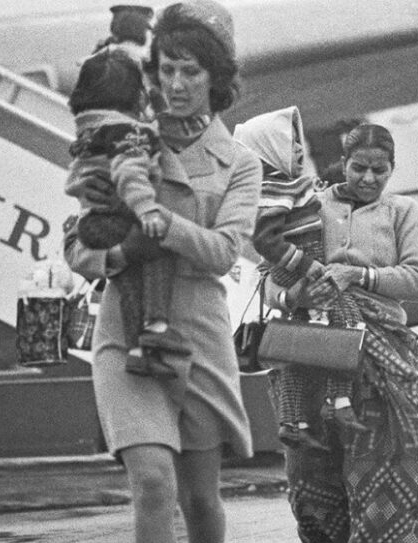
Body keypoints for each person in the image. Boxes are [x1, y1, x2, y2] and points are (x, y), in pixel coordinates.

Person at [63, 2, 260, 541]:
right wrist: (123, 251)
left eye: (190, 71)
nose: (175, 84)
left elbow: (222, 253)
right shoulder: (121, 137)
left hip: (199, 334)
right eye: (166, 69)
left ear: (215, 79)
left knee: (201, 499)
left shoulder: (239, 163)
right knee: (153, 482)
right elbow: (79, 246)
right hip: (124, 329)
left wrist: (157, 221)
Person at [266, 123, 418, 542]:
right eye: (359, 168)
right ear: (343, 163)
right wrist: (299, 295)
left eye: (380, 171)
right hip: (316, 354)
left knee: (401, 455)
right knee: (314, 467)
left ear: (392, 170)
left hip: (382, 357)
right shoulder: (310, 207)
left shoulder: (402, 212)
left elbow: (417, 279)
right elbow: (273, 282)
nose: (368, 179)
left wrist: (357, 275)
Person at [233, 105, 362, 451]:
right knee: (347, 320)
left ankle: (293, 421)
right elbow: (266, 240)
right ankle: (338, 401)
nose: (300, 151)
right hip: (300, 266)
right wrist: (305, 266)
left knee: (291, 347)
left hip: (294, 270)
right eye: (291, 144)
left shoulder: (281, 185)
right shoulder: (276, 188)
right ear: (270, 150)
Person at [64, 47, 188, 379]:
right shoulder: (127, 131)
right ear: (133, 95)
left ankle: (138, 351)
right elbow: (130, 171)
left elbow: (75, 181)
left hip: (95, 223)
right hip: (121, 220)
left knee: (131, 281)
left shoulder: (89, 132)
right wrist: (145, 209)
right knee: (161, 251)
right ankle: (158, 325)